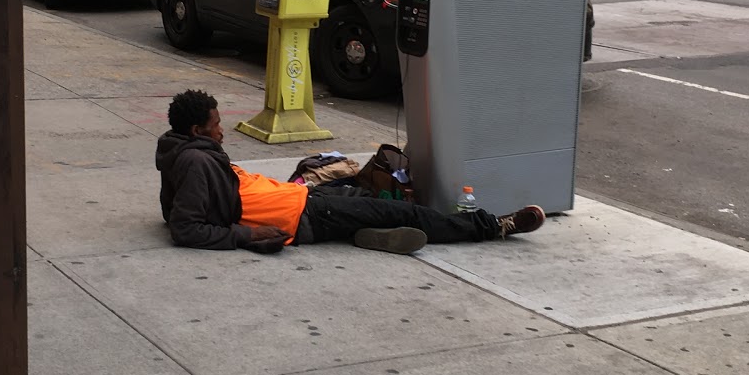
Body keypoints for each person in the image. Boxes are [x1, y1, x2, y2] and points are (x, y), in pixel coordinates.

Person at [156, 90, 545, 255]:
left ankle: (363, 233)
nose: (222, 129)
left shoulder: (190, 152)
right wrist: (247, 233)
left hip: (305, 199)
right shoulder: (192, 161)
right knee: (405, 212)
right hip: (303, 217)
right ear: (196, 130)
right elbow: (184, 227)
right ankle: (494, 227)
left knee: (375, 199)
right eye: (217, 124)